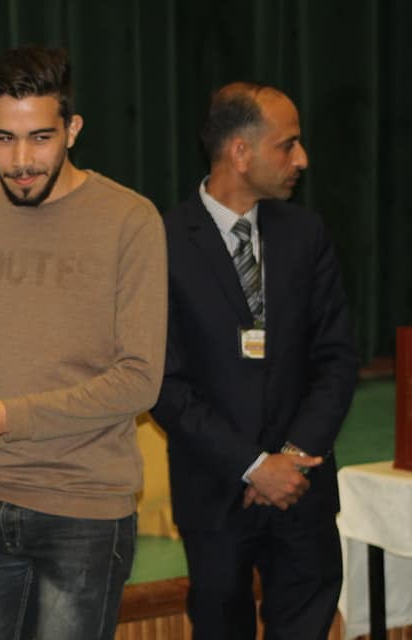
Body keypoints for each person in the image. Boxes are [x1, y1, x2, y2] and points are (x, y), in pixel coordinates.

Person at [0, 46, 168, 640]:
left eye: (40, 138)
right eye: (4, 139)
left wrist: (5, 417)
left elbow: (139, 380)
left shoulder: (131, 220)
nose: (22, 160)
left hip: (85, 509)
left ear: (72, 130)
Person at [151, 82, 358, 638]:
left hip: (303, 489)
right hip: (215, 493)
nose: (302, 159)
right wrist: (253, 466)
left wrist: (289, 460)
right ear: (240, 152)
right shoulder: (162, 244)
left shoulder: (306, 234)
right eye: (287, 145)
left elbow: (337, 358)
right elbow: (164, 383)